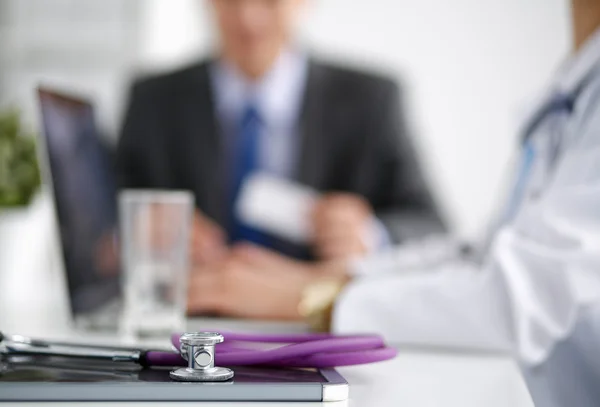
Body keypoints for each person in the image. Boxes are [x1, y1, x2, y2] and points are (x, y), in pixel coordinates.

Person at [188, 1, 600, 405]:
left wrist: (325, 293)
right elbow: (480, 256)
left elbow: (518, 295)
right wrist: (330, 282)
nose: (247, 16)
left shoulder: (372, 96)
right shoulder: (570, 85)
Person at [117, 0, 443, 267]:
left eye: (270, 2)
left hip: (316, 325)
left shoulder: (371, 101)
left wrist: (372, 236)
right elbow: (102, 222)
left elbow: (433, 228)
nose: (249, 19)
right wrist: (135, 233)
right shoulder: (153, 100)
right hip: (192, 316)